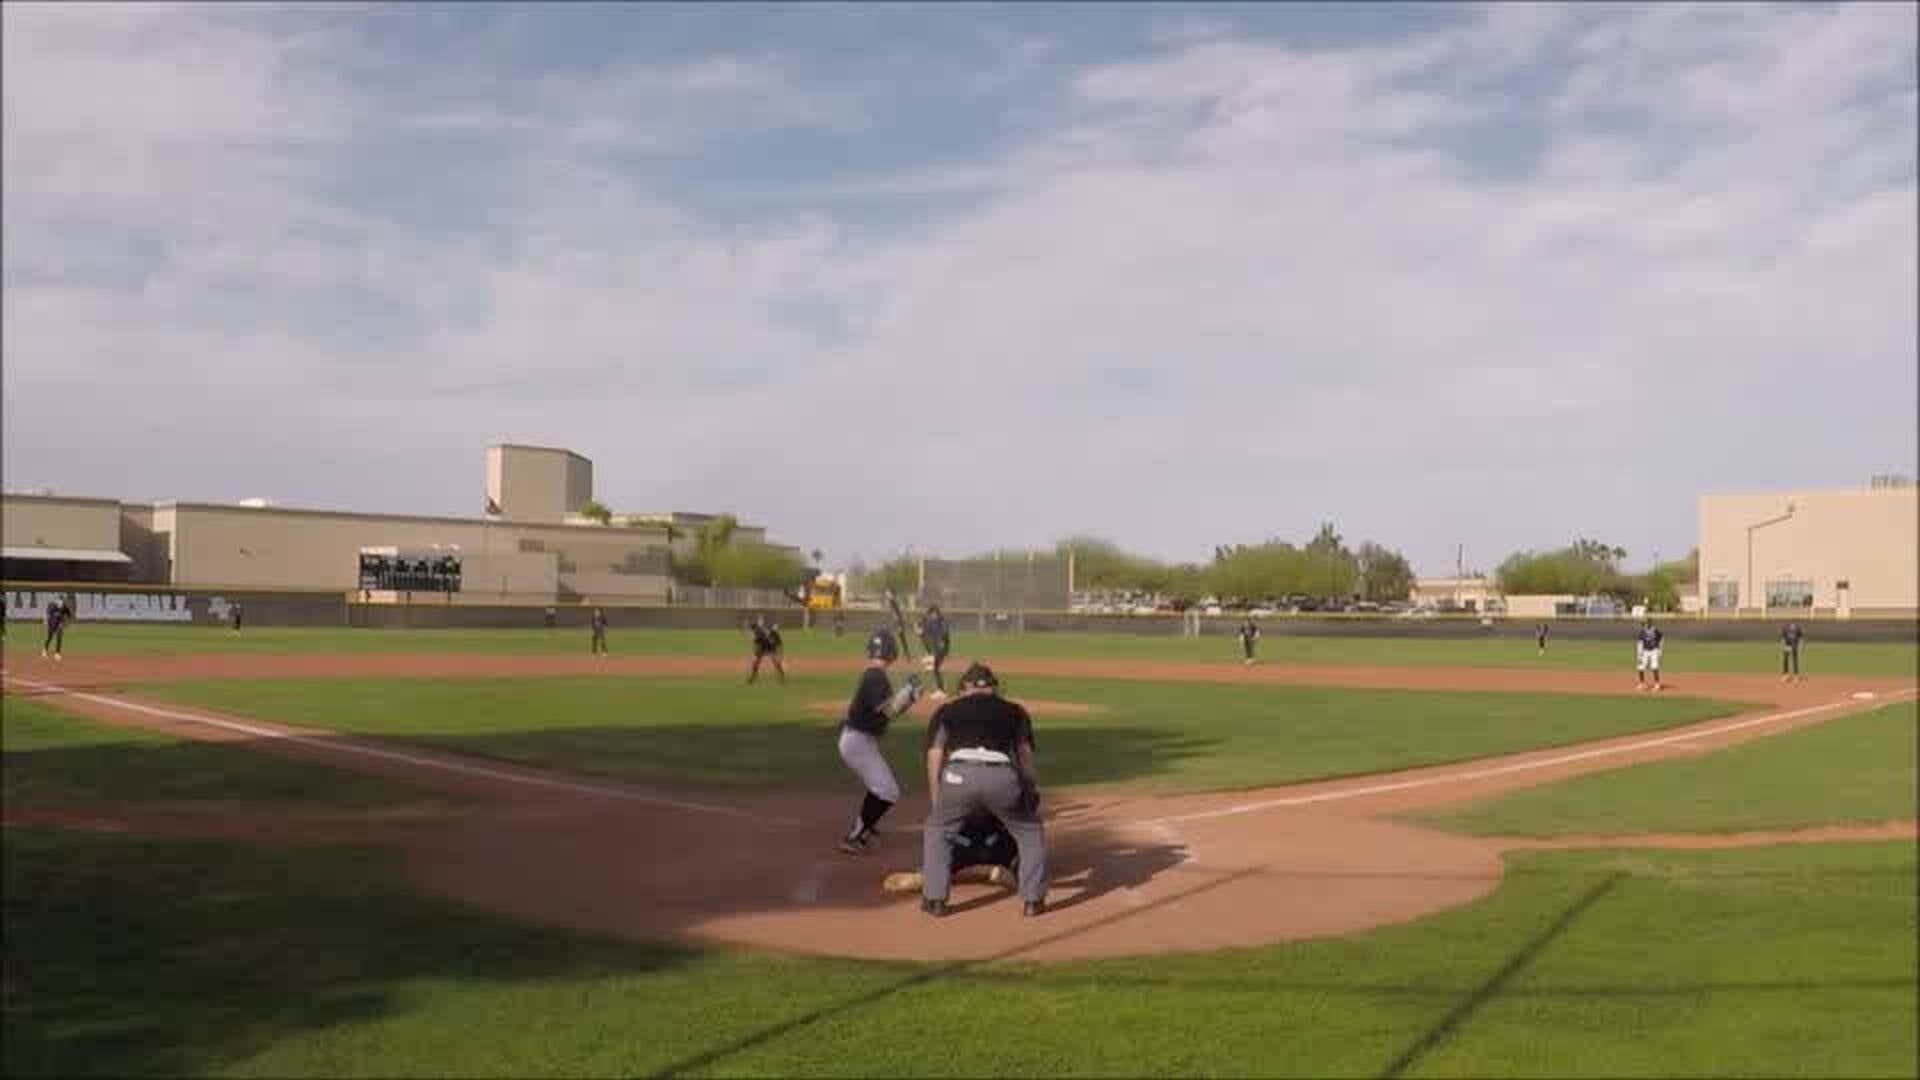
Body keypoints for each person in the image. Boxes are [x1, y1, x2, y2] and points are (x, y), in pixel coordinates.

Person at [920, 661, 1048, 918]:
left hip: (958, 775)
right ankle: (1032, 901)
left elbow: (934, 755)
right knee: (1030, 832)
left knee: (938, 830)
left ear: (965, 687)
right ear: (993, 687)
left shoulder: (947, 710)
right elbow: (1024, 755)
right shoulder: (1014, 711)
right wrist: (1030, 788)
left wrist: (937, 799)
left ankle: (935, 900)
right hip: (1002, 776)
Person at [837, 628, 921, 854]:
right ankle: (855, 837)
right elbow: (889, 711)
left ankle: (866, 824)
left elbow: (884, 713)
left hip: (859, 740)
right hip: (858, 742)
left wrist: (907, 696)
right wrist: (909, 695)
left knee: (879, 787)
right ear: (892, 652)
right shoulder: (876, 676)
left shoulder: (873, 674)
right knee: (888, 791)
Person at [881, 812, 1018, 894]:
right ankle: (997, 872)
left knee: (941, 836)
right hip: (998, 845)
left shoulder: (954, 784)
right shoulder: (1003, 781)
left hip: (960, 847)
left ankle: (935, 876)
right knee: (1027, 875)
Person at [919, 604, 953, 694]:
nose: (932, 616)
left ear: (936, 613)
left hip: (940, 649)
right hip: (938, 650)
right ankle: (941, 688)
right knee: (935, 669)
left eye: (933, 613)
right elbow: (924, 634)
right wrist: (920, 633)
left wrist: (944, 648)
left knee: (935, 669)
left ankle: (941, 690)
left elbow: (945, 635)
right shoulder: (932, 622)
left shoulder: (940, 622)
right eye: (931, 614)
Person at [747, 615, 785, 685]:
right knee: (755, 662)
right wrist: (756, 650)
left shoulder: (772, 632)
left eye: (761, 621)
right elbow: (756, 642)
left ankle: (782, 676)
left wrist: (779, 652)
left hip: (771, 648)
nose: (760, 623)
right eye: (759, 621)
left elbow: (778, 643)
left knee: (776, 662)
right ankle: (753, 677)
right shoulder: (757, 632)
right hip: (762, 648)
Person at [1635, 619, 1665, 691]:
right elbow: (1640, 643)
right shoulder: (1642, 632)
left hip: (1654, 650)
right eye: (1644, 624)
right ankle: (1642, 684)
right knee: (1640, 667)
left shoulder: (1655, 631)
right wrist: (1639, 655)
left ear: (1649, 624)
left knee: (1654, 666)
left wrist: (1660, 649)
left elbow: (1661, 638)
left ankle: (1657, 685)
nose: (1644, 625)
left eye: (1645, 624)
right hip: (1645, 651)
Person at [41, 596, 73, 660]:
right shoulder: (52, 606)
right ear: (57, 601)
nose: (61, 603)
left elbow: (69, 616)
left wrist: (65, 624)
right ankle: (44, 650)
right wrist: (46, 621)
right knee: (49, 637)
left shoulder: (64, 608)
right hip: (51, 623)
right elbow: (47, 614)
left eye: (62, 602)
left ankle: (57, 653)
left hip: (59, 624)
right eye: (59, 601)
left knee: (59, 637)